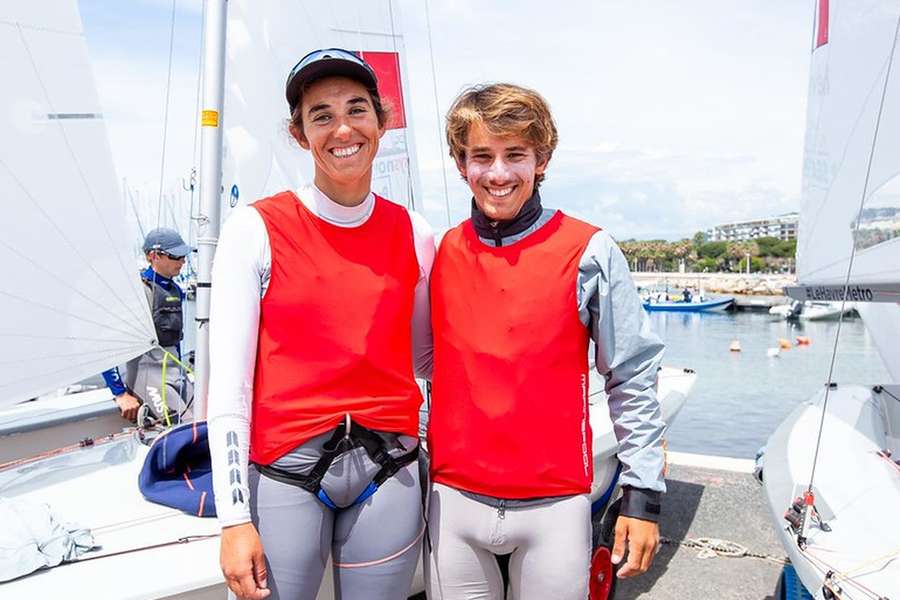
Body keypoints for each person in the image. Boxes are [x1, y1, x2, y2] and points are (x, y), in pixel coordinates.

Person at [207, 48, 434, 600]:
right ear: (299, 133)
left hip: (391, 469)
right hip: (288, 474)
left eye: (358, 109)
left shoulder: (415, 232)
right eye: (321, 115)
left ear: (382, 122)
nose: (343, 129)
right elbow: (229, 387)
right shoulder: (254, 229)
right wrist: (234, 520)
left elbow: (427, 361)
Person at [426, 83, 666, 600]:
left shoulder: (589, 251)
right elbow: (420, 363)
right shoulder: (442, 252)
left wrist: (642, 495)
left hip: (555, 505)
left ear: (541, 159)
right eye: (481, 156)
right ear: (460, 163)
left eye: (515, 155)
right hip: (453, 504)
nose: (498, 173)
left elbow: (631, 377)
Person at [102, 227, 193, 422]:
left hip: (175, 373)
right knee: (185, 426)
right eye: (176, 256)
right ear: (154, 256)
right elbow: (105, 345)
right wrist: (120, 394)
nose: (182, 261)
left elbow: (174, 340)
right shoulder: (137, 292)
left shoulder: (175, 290)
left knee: (206, 420)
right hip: (148, 376)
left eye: (183, 256)